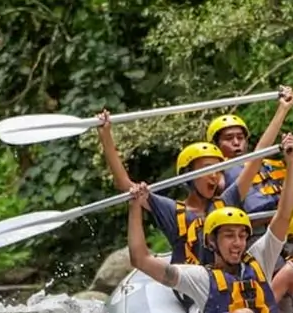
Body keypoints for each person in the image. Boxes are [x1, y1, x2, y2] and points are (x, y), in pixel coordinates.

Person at [127, 132, 293, 313]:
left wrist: (292, 162)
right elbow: (141, 260)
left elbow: (284, 215)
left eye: (242, 235)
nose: (237, 243)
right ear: (211, 242)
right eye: (229, 236)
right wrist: (135, 206)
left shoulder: (260, 259)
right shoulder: (200, 278)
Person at [95, 107, 282, 264]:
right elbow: (123, 183)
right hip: (193, 287)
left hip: (224, 283)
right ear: (188, 176)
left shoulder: (227, 201)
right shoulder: (172, 210)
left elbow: (257, 156)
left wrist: (283, 108)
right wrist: (106, 136)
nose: (214, 177)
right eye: (207, 170)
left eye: (218, 170)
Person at [206, 86, 293, 241]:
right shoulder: (215, 175)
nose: (236, 143)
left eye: (240, 138)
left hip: (286, 227)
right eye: (228, 138)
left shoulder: (265, 164)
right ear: (216, 144)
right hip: (253, 236)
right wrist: (282, 110)